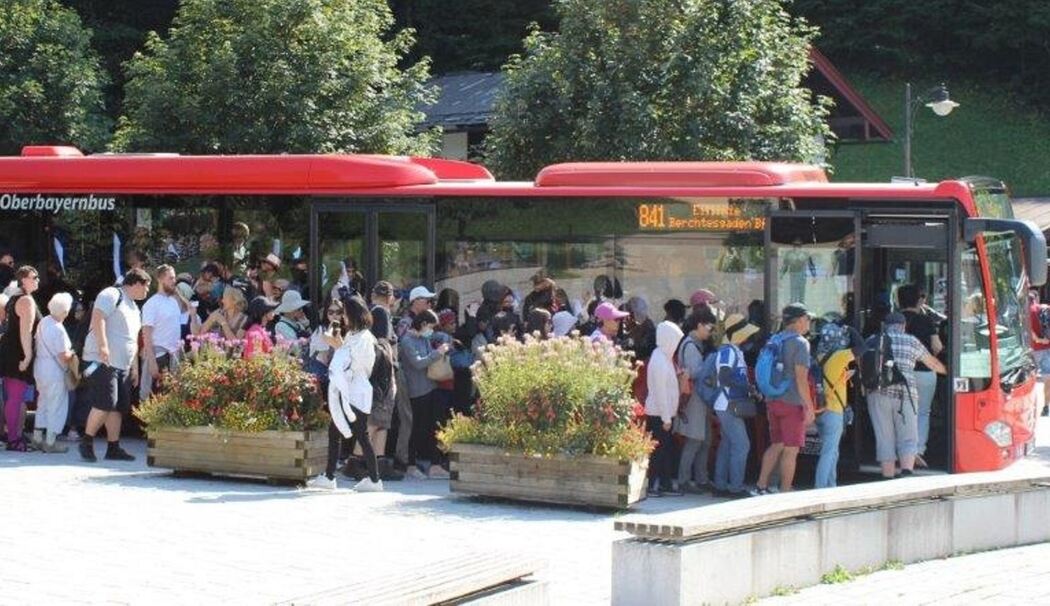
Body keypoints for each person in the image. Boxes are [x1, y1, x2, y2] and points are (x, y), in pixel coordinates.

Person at [308, 295, 382, 492]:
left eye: (345, 314)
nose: (343, 318)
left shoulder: (364, 338)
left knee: (359, 435)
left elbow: (353, 361)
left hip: (356, 392)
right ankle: (332, 475)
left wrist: (339, 347)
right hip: (350, 391)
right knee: (338, 432)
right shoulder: (355, 335)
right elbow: (339, 348)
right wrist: (336, 336)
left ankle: (373, 480)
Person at [78, 268, 151, 462]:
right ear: (136, 283)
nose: (147, 291)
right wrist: (103, 346)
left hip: (123, 365)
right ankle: (86, 441)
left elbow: (133, 339)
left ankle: (113, 447)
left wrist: (134, 367)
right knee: (105, 403)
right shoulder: (111, 294)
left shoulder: (135, 308)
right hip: (102, 360)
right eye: (146, 286)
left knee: (118, 407)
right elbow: (98, 318)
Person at [868, 312, 948, 479]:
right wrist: (949, 371)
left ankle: (887, 478)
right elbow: (932, 363)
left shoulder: (872, 340)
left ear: (885, 325)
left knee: (884, 438)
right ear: (903, 326)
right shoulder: (911, 341)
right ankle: (906, 475)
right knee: (908, 436)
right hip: (905, 394)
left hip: (877, 394)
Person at [752, 303, 816, 495]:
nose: (809, 323)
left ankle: (761, 486)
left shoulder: (775, 339)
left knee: (777, 444)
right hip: (792, 402)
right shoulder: (800, 343)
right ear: (798, 320)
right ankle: (786, 491)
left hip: (772, 400)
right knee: (791, 449)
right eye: (807, 319)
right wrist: (809, 406)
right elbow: (801, 379)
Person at [712, 314, 760, 498]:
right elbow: (723, 377)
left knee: (727, 444)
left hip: (728, 404)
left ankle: (721, 485)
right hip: (728, 404)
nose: (748, 337)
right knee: (742, 445)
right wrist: (747, 387)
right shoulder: (728, 352)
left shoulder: (734, 351)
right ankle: (735, 488)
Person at [399, 309, 450, 479]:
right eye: (431, 327)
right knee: (417, 428)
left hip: (431, 387)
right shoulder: (407, 341)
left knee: (433, 427)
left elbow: (433, 348)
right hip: (417, 391)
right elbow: (418, 363)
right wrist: (438, 353)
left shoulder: (424, 338)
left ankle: (434, 465)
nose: (432, 331)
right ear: (422, 325)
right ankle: (410, 465)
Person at [897, 284, 944, 468]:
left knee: (901, 412)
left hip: (900, 373)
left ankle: (901, 450)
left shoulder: (894, 320)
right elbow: (937, 347)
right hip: (924, 372)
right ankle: (917, 450)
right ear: (919, 300)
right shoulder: (926, 321)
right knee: (922, 412)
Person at [675, 307, 717, 492]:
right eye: (709, 328)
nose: (711, 332)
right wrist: (711, 364)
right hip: (695, 399)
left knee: (704, 439)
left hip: (699, 399)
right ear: (699, 325)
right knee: (695, 439)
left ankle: (701, 478)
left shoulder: (693, 344)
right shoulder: (691, 346)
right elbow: (695, 373)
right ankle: (684, 480)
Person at [1, 266, 42, 451]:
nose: (37, 280)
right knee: (15, 397)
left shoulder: (14, 298)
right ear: (23, 279)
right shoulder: (26, 300)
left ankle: (12, 437)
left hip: (9, 351)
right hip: (17, 352)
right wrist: (27, 356)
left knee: (12, 397)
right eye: (34, 277)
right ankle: (14, 439)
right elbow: (25, 332)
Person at [32, 292, 76, 453]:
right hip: (54, 370)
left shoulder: (44, 322)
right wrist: (73, 354)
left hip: (40, 366)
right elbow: (64, 356)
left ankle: (37, 438)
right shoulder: (59, 329)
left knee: (42, 402)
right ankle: (50, 442)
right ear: (65, 311)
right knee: (56, 405)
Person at [645, 320, 685, 497]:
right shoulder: (659, 360)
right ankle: (652, 484)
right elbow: (660, 391)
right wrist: (666, 418)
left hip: (666, 413)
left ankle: (665, 483)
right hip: (659, 414)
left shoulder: (664, 357)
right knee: (658, 451)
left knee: (666, 450)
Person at [140, 265, 188, 401]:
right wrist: (151, 362)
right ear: (160, 279)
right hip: (159, 357)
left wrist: (177, 293)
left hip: (174, 357)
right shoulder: (151, 304)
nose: (174, 281)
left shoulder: (173, 301)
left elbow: (188, 308)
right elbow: (146, 335)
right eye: (171, 278)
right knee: (155, 400)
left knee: (173, 399)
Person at [1029, 290, 1050, 417]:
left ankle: (1031, 407)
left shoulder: (1026, 312)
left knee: (1030, 380)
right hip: (1048, 348)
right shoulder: (1045, 309)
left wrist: (1037, 339)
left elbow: (1028, 331)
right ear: (1036, 298)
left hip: (1033, 350)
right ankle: (1046, 406)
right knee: (1048, 378)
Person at [624, 296, 656, 361]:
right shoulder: (635, 326)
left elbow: (641, 350)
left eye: (630, 311)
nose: (627, 316)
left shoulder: (648, 328)